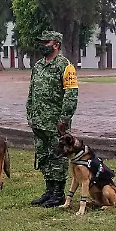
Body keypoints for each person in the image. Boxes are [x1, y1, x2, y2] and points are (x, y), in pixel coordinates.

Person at [26, 30, 79, 207]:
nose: (42, 45)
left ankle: (58, 193)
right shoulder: (38, 66)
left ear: (56, 45)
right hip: (39, 121)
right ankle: (49, 191)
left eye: (46, 42)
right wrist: (30, 113)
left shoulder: (65, 66)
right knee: (44, 157)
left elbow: (71, 94)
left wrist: (64, 118)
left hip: (56, 123)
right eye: (41, 42)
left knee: (58, 157)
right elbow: (32, 92)